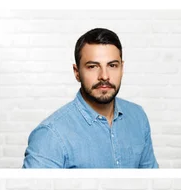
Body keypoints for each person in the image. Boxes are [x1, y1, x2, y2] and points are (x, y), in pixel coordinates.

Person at [22, 28, 158, 168]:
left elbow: (153, 183)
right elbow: (34, 189)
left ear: (122, 68)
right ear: (77, 73)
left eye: (112, 65)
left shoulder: (138, 117)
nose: (104, 76)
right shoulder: (50, 135)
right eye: (93, 66)